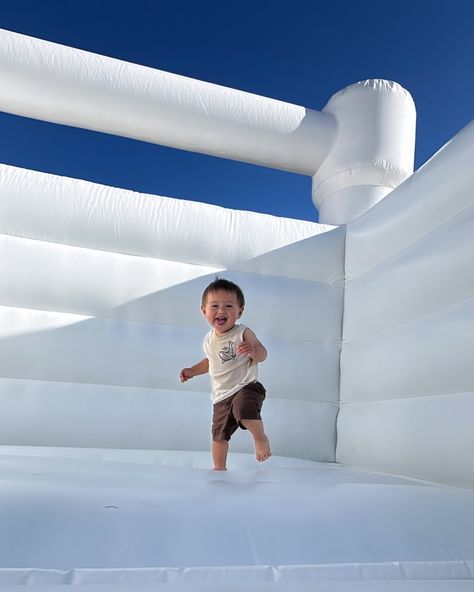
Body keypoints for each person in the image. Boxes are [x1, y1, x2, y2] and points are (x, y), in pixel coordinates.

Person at [179, 278, 271, 470]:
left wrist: (254, 351)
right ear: (204, 311)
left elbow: (263, 353)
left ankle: (260, 438)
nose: (221, 310)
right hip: (221, 396)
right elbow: (210, 362)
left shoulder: (242, 332)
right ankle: (219, 468)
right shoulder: (208, 340)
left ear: (240, 311)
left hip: (246, 387)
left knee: (244, 411)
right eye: (214, 306)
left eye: (229, 305)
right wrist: (193, 371)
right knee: (218, 436)